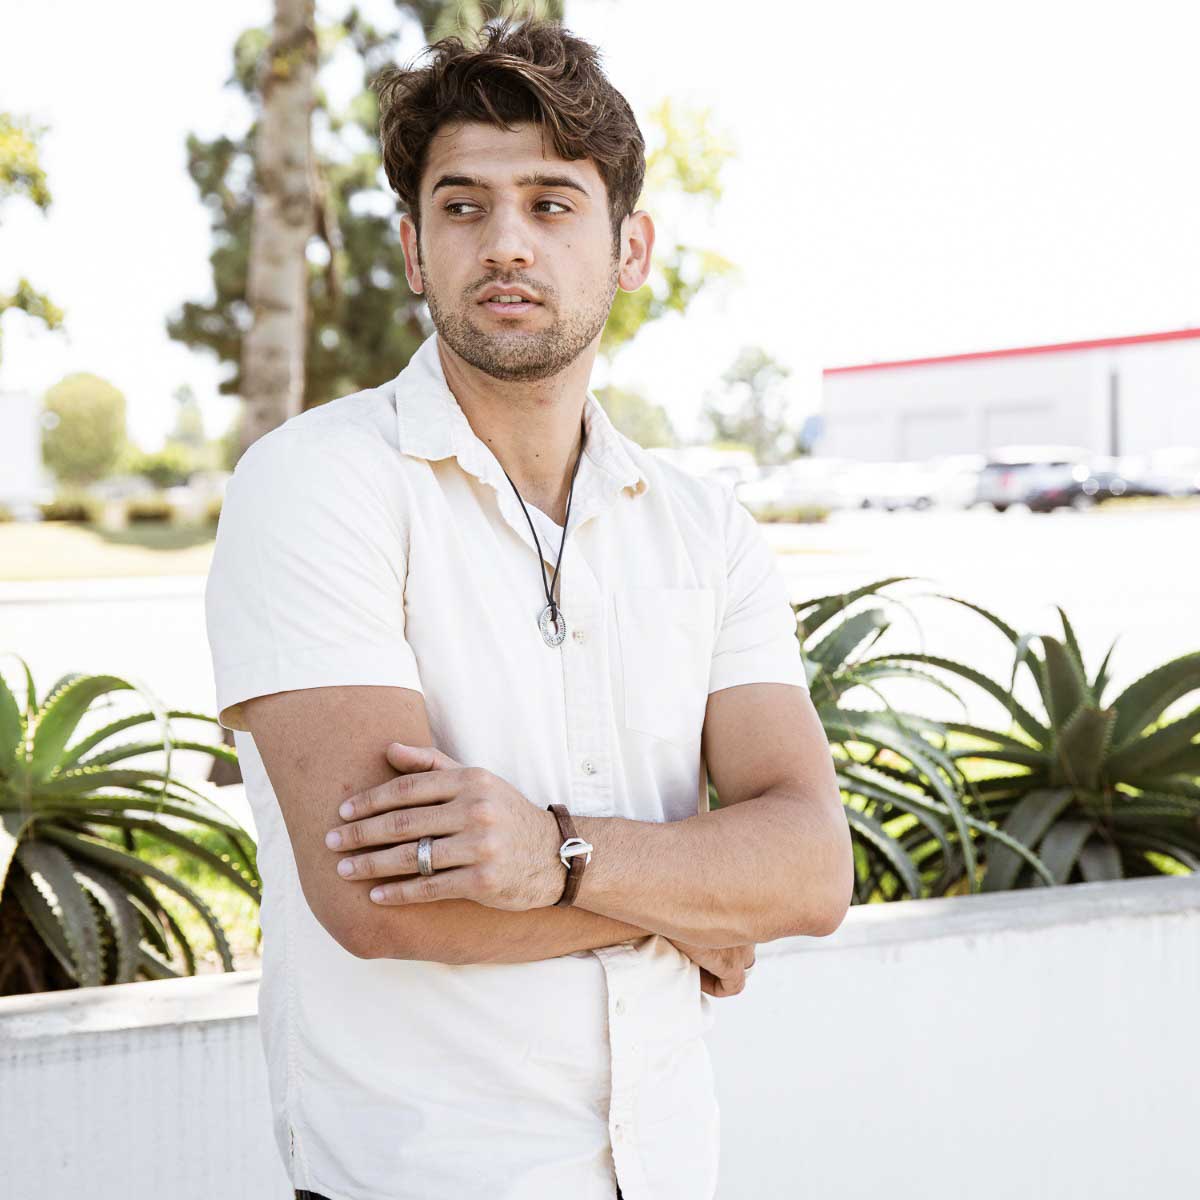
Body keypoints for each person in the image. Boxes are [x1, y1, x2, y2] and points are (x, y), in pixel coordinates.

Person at [204, 15, 852, 1200]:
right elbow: (379, 903)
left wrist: (557, 859)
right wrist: (685, 907)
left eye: (552, 204)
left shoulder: (703, 526)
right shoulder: (314, 484)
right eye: (463, 207)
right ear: (411, 247)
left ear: (630, 246)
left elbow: (811, 867)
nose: (506, 243)